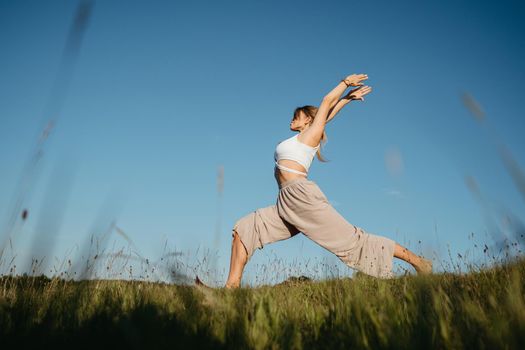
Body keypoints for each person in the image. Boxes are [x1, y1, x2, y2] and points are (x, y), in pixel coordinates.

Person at [224, 74, 433, 289]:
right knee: (246, 228)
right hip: (285, 202)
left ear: (307, 121)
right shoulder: (298, 137)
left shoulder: (311, 136)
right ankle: (232, 288)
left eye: (297, 115)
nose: (292, 118)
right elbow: (327, 116)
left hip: (302, 198)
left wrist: (344, 83)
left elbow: (325, 104)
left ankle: (419, 262)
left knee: (354, 242)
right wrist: (346, 99)